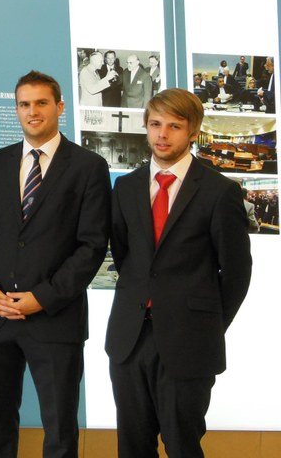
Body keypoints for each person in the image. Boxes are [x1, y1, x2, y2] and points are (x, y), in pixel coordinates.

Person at [0, 70, 111, 458]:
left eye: (41, 103)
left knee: (60, 430)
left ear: (60, 107)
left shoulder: (88, 167)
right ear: (16, 109)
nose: (32, 112)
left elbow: (92, 245)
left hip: (54, 319)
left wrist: (42, 298)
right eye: (24, 104)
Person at [105, 88, 252, 458]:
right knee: (132, 447)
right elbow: (126, 257)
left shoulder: (220, 192)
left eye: (174, 125)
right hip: (130, 338)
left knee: (183, 445)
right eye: (155, 124)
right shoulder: (126, 187)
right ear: (145, 127)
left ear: (193, 131)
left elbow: (236, 272)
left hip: (189, 342)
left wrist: (206, 325)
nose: (162, 134)